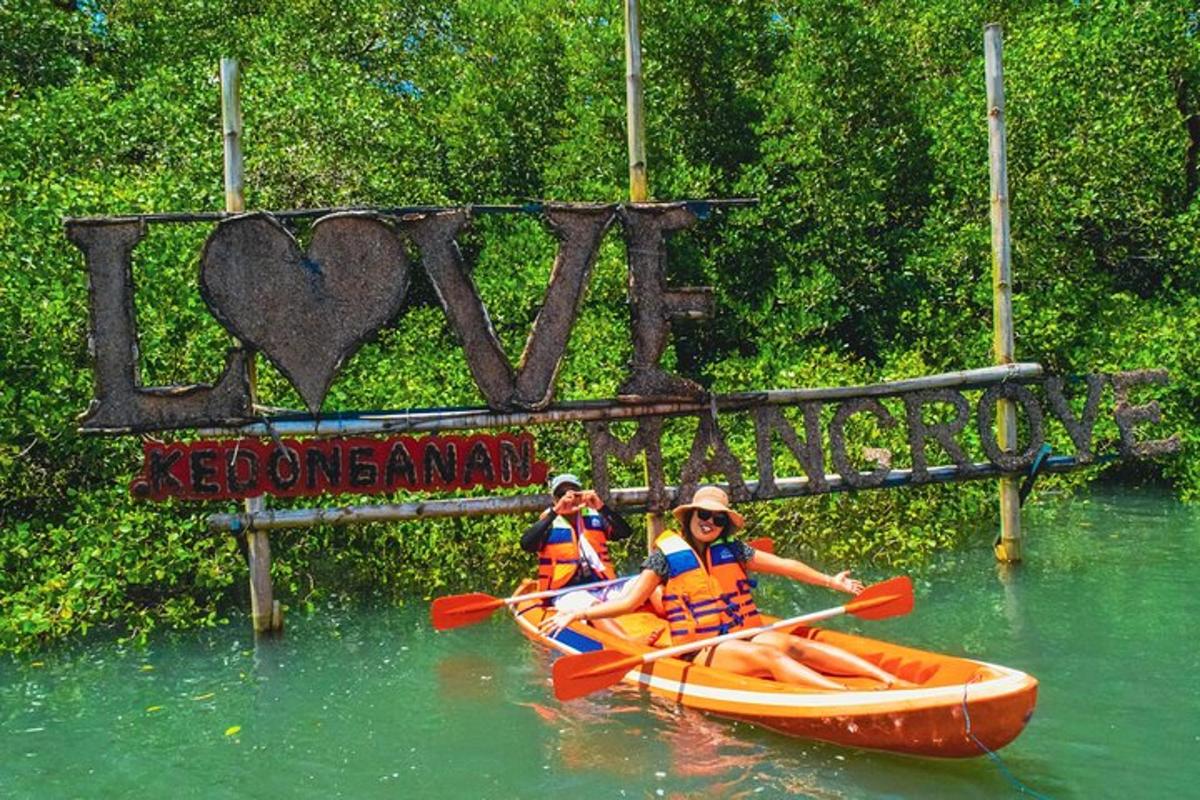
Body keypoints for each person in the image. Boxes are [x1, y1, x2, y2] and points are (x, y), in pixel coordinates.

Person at [540, 485, 906, 690]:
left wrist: (832, 581)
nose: (710, 523)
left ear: (725, 524)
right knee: (771, 657)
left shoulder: (733, 550)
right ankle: (839, 696)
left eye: (718, 519)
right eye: (704, 516)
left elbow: (786, 567)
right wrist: (580, 612)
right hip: (698, 648)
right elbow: (628, 602)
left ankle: (890, 680)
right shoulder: (665, 557)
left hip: (737, 632)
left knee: (797, 644)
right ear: (690, 518)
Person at [521, 473, 652, 642]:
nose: (569, 500)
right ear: (555, 500)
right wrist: (556, 511)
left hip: (605, 586)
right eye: (562, 495)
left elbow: (624, 532)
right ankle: (629, 642)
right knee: (593, 607)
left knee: (649, 583)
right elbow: (526, 543)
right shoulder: (549, 522)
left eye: (574, 494)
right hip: (567, 592)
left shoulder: (594, 516)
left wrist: (601, 507)